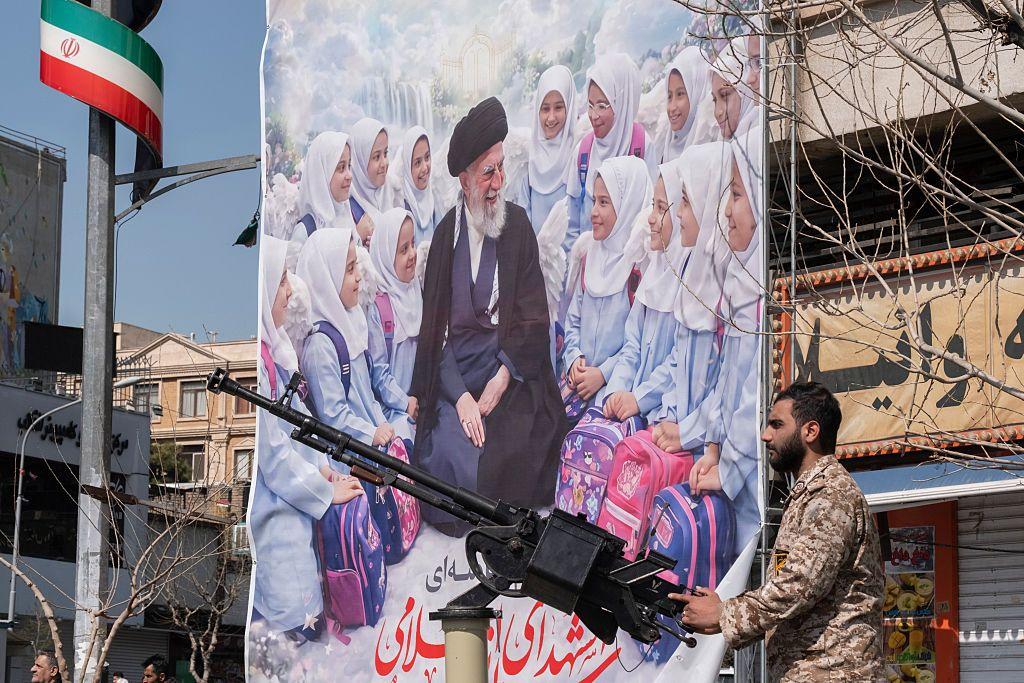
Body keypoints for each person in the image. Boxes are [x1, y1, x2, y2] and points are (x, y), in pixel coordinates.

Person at [411, 97, 565, 533]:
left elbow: (534, 319)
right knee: (446, 461)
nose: (498, 183)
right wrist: (461, 398)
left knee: (517, 448)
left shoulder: (518, 227)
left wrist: (501, 378)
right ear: (464, 181)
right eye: (487, 173)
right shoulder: (445, 237)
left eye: (501, 169)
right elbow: (435, 335)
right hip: (457, 377)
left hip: (508, 372)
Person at [672, 381, 884, 681]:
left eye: (776, 424)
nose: (765, 435)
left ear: (810, 431)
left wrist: (724, 614)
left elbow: (799, 586)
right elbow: (791, 593)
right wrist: (723, 609)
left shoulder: (831, 495)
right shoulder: (808, 495)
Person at [251, 236, 364, 643]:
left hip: (295, 495)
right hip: (276, 513)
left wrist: (324, 471)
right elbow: (275, 458)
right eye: (280, 281)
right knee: (295, 624)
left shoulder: (277, 353)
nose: (289, 291)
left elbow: (298, 425)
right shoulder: (260, 365)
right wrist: (324, 490)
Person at [687, 129, 763, 548]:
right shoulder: (739, 278)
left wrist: (728, 467)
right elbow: (723, 382)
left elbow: (755, 398)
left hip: (751, 482)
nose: (727, 212)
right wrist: (713, 448)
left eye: (736, 195)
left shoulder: (765, 298)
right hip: (727, 471)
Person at [647, 141, 732, 456]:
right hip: (678, 438)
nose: (679, 213)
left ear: (707, 199)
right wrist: (668, 416)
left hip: (709, 451)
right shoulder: (691, 271)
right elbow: (678, 360)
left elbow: (729, 384)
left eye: (685, 200)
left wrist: (688, 432)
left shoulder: (730, 287)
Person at [298, 228, 414, 453]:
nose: (359, 276)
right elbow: (333, 416)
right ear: (326, 278)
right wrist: (371, 433)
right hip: (352, 459)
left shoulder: (351, 324)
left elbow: (368, 396)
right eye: (349, 269)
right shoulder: (319, 346)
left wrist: (383, 427)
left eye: (356, 266)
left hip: (374, 449)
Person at [562, 155, 651, 417]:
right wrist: (574, 358)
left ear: (626, 206)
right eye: (594, 201)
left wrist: (602, 374)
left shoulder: (638, 268)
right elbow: (573, 320)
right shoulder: (588, 256)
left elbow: (638, 344)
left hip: (613, 396)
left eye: (604, 202)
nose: (593, 212)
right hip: (577, 389)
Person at [600, 159, 685, 424]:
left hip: (661, 416)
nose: (650, 218)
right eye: (652, 205)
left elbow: (678, 362)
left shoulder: (690, 284)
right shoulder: (654, 270)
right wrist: (615, 393)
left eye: (661, 207)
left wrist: (638, 398)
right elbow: (632, 345)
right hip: (632, 406)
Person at [565, 53, 656, 253]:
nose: (593, 115)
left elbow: (651, 214)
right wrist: (578, 262)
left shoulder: (641, 147)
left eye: (602, 106)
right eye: (590, 105)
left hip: (630, 265)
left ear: (622, 103)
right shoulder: (583, 152)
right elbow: (571, 223)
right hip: (589, 267)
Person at [367, 207, 422, 415]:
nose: (413, 254)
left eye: (413, 244)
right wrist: (404, 403)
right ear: (386, 255)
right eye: (403, 249)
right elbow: (379, 373)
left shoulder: (417, 290)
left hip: (420, 401)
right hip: (394, 409)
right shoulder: (378, 307)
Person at [521, 65, 577, 233]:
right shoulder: (529, 159)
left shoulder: (578, 155)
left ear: (569, 107)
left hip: (572, 249)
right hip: (534, 249)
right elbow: (523, 220)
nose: (551, 118)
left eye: (558, 107)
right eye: (545, 109)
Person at [288, 131, 354, 256]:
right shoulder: (306, 231)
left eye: (349, 166)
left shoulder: (346, 213)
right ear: (322, 174)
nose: (349, 175)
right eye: (341, 168)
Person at [660, 46, 713, 163]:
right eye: (669, 96)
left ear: (697, 93)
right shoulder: (665, 148)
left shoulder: (711, 147)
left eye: (680, 94)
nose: (672, 107)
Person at [397, 126, 444, 243]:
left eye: (427, 157)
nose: (425, 168)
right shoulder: (400, 205)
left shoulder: (435, 197)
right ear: (407, 167)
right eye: (417, 163)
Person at [349, 117, 390, 240]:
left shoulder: (392, 194)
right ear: (359, 161)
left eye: (385, 153)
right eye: (376, 157)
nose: (384, 163)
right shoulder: (349, 211)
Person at [709, 40, 757, 141]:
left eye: (724, 95)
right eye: (715, 100)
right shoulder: (725, 145)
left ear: (744, 88)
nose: (717, 112)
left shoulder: (761, 140)